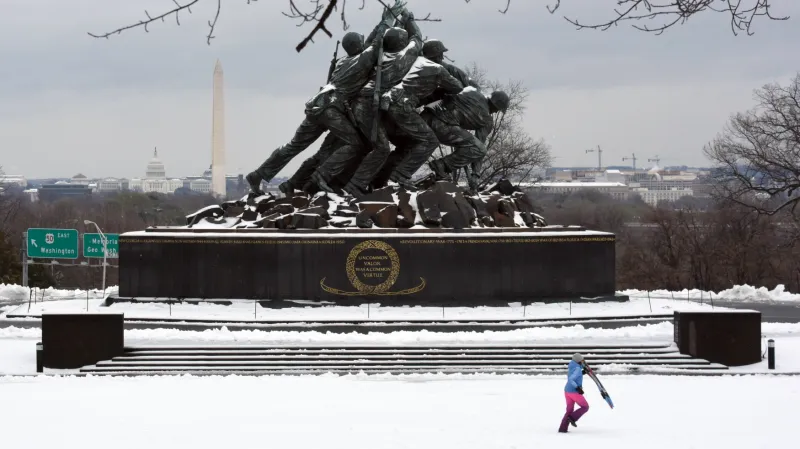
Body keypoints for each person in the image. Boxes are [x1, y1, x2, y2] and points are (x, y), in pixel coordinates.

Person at [244, 1, 406, 195]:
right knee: (354, 144)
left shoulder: (342, 61)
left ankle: (258, 174)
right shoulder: (362, 61)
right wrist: (388, 18)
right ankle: (322, 176)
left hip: (316, 105)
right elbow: (377, 40)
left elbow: (371, 41)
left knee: (294, 146)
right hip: (331, 109)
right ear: (359, 45)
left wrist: (384, 18)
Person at [559, 353, 590, 433]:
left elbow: (573, 375)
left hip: (567, 391)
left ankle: (563, 429)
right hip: (574, 392)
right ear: (578, 361)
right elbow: (571, 379)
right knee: (585, 407)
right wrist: (577, 388)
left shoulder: (572, 366)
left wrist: (582, 372)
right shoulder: (577, 369)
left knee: (569, 410)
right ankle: (572, 418)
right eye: (581, 360)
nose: (583, 361)